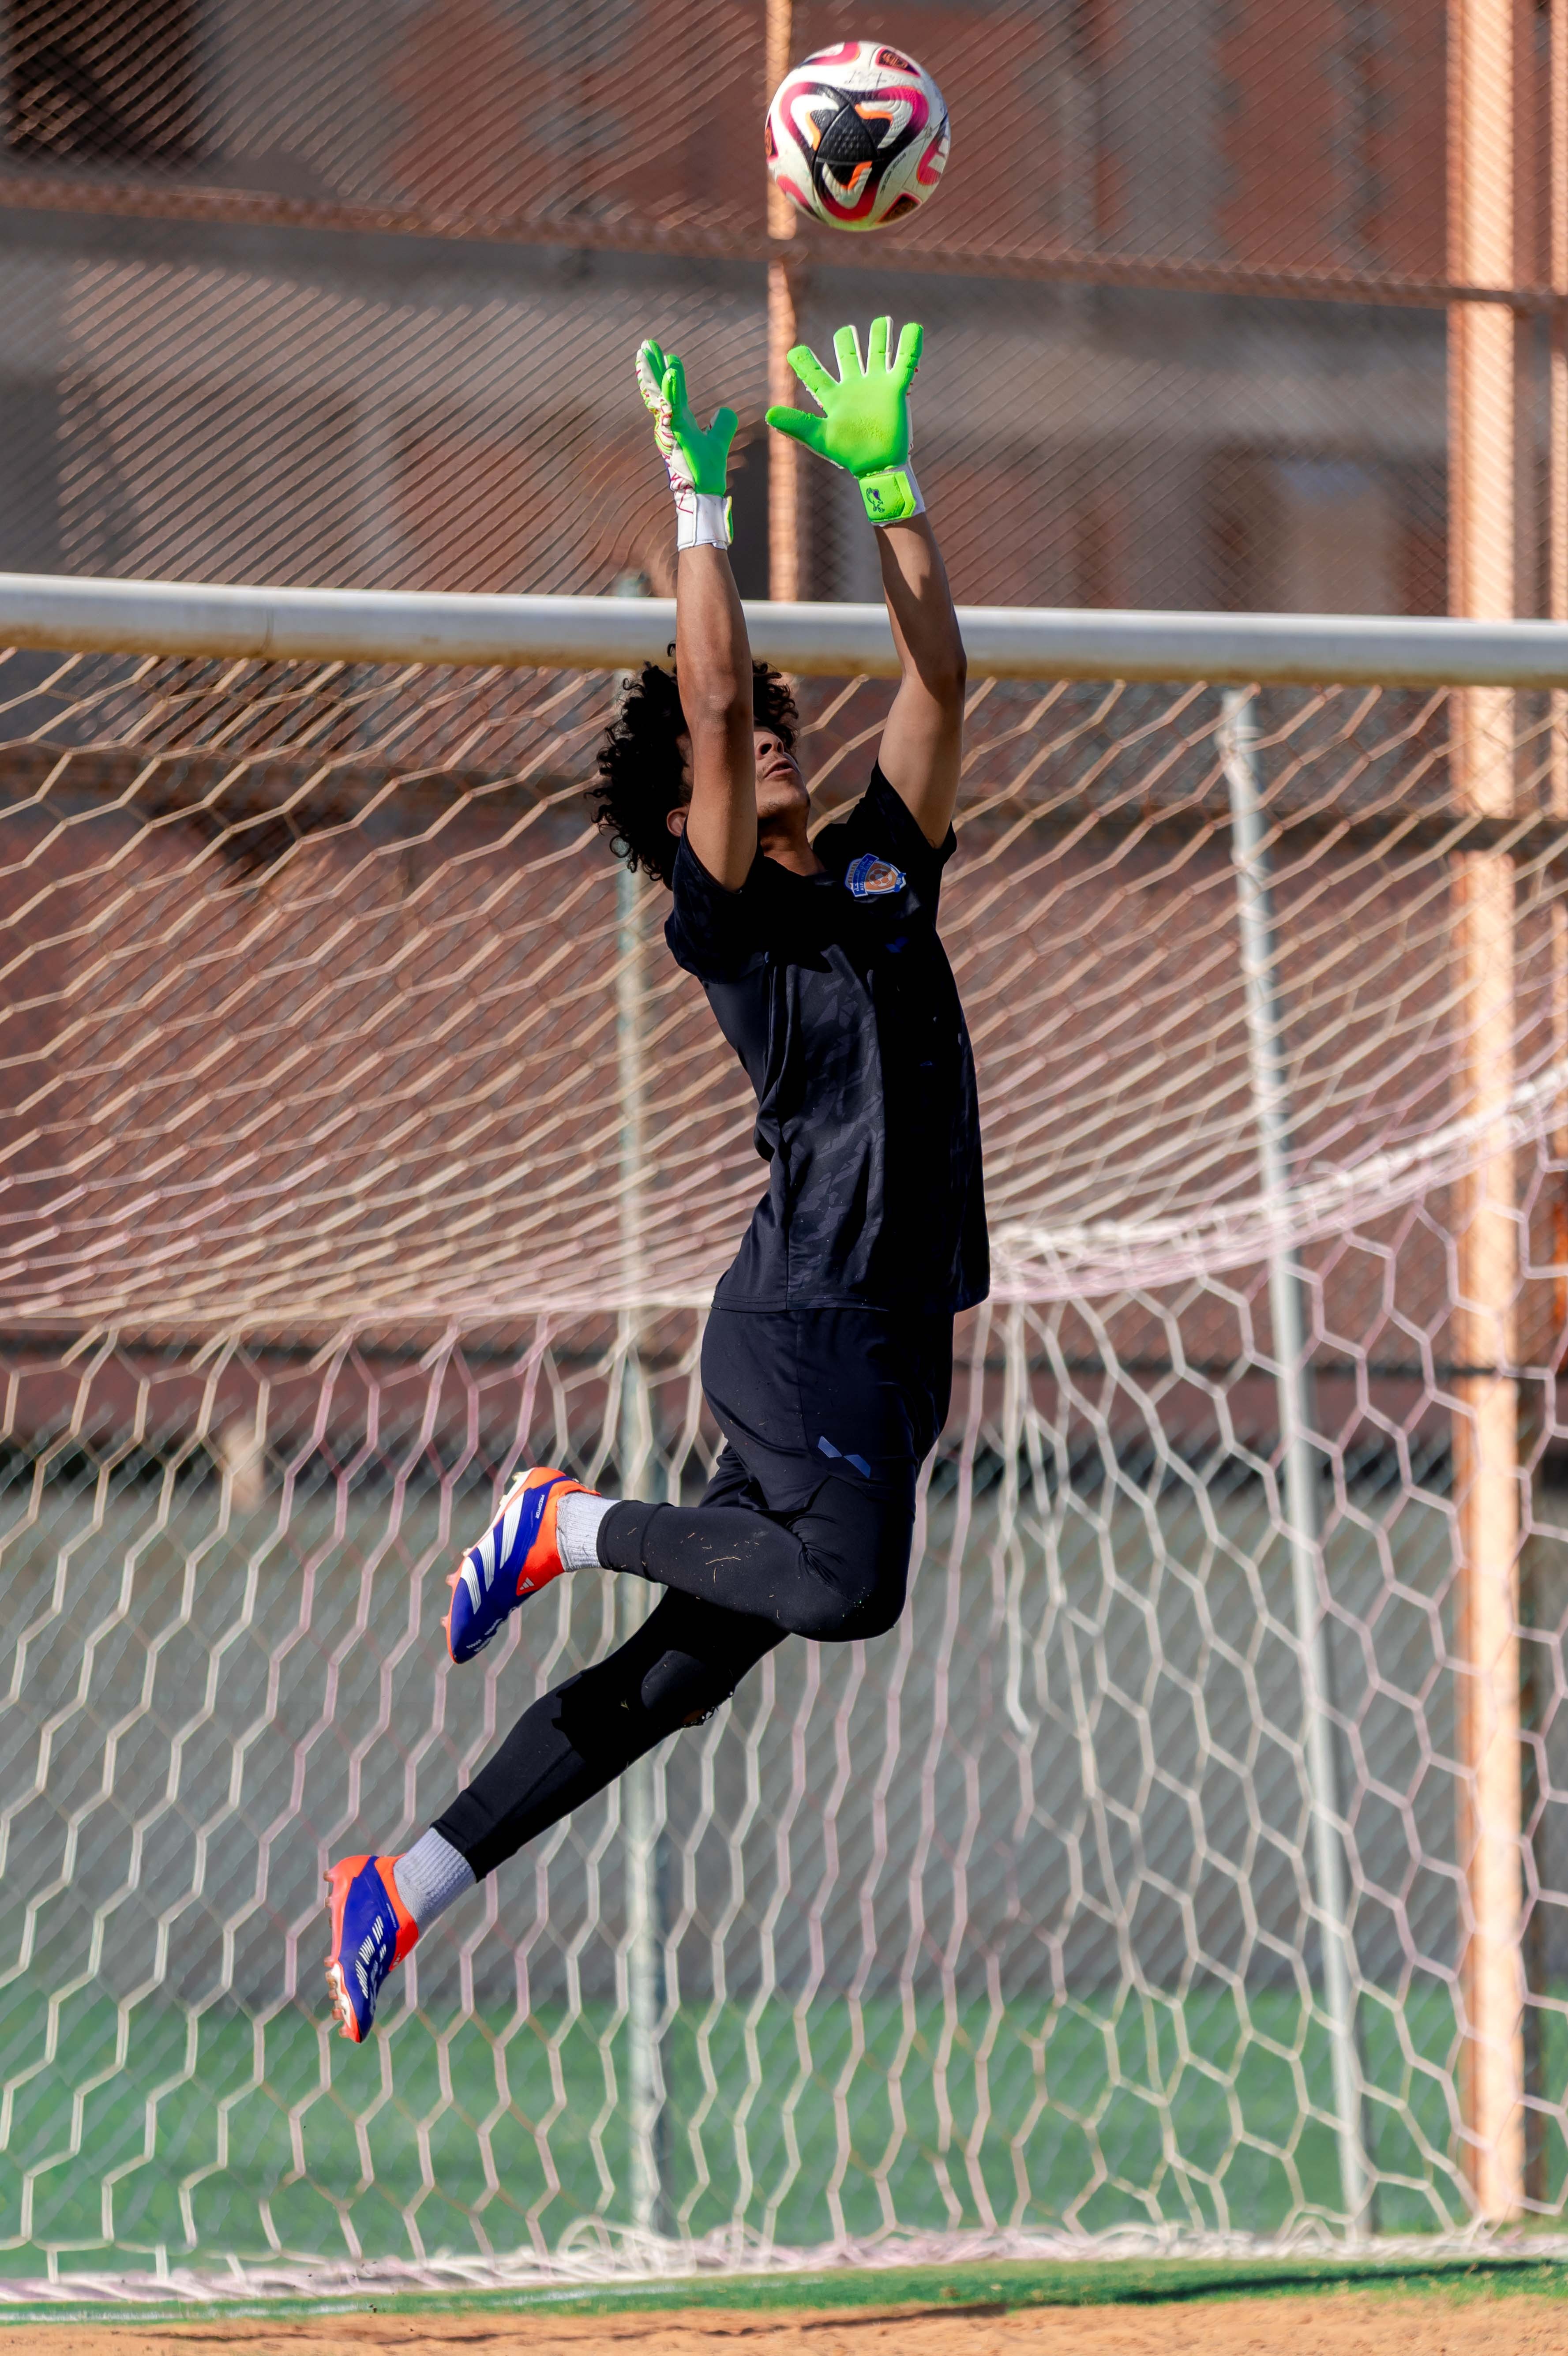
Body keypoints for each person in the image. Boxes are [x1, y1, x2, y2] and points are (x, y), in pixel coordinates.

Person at [323, 316, 986, 2044]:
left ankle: (406, 1881)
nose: (766, 737)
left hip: (898, 1340)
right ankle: (564, 1524)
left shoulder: (880, 873)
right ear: (683, 816)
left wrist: (892, 490)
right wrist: (701, 502)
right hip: (804, 1322)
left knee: (681, 1673)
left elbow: (939, 678)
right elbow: (703, 694)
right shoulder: (732, 918)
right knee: (846, 1589)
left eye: (777, 725)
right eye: (740, 739)